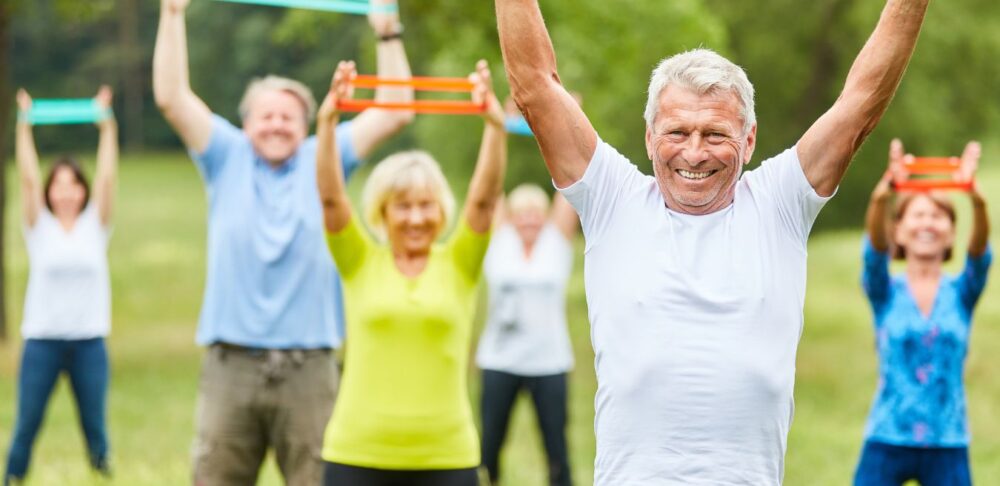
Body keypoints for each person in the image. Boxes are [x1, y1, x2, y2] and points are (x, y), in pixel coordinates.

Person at [496, 0, 930, 483]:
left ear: (748, 141)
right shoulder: (611, 198)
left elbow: (861, 101)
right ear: (648, 137)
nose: (695, 152)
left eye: (715, 133)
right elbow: (534, 87)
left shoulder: (780, 202)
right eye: (677, 131)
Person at [152, 0, 414, 483]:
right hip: (231, 364)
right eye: (265, 116)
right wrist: (171, 14)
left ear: (307, 124)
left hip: (309, 369)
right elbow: (171, 97)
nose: (275, 125)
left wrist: (387, 32)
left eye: (287, 117)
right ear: (246, 123)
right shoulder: (225, 155)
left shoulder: (326, 156)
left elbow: (395, 110)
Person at [315, 59, 506, 486]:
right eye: (403, 206)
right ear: (382, 211)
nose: (416, 217)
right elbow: (330, 200)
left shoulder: (460, 262)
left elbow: (484, 202)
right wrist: (327, 123)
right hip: (356, 455)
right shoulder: (359, 259)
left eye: (426, 205)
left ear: (441, 210)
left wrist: (494, 126)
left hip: (446, 458)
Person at [853, 139, 991, 486]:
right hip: (887, 436)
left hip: (948, 439)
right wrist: (882, 197)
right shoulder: (884, 290)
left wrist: (975, 198)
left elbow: (979, 253)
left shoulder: (962, 292)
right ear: (898, 230)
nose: (928, 223)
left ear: (951, 235)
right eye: (918, 214)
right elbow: (874, 252)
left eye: (938, 215)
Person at [4, 86, 117, 484]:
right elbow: (29, 179)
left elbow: (107, 176)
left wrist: (106, 125)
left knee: (96, 430)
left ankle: (103, 477)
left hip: (89, 342)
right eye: (59, 185)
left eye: (74, 184)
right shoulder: (39, 228)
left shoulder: (96, 226)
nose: (66, 192)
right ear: (50, 192)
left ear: (83, 190)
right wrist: (24, 123)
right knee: (26, 426)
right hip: (42, 342)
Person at [476, 185, 578, 486]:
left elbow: (570, 180)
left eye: (535, 214)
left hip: (549, 363)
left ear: (545, 217)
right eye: (521, 214)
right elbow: (490, 186)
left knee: (556, 447)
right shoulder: (499, 240)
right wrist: (497, 136)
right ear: (510, 217)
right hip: (499, 361)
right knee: (490, 444)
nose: (529, 221)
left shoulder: (556, 242)